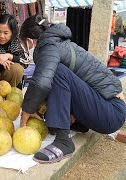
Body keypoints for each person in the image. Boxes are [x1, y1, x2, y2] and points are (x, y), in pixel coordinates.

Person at [19, 15, 126, 164]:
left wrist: (27, 109)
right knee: (53, 77)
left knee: (56, 71)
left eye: (25, 45)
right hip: (107, 107)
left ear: (30, 41)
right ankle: (79, 122)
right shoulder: (58, 44)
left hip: (111, 112)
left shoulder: (48, 47)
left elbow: (41, 83)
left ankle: (64, 141)